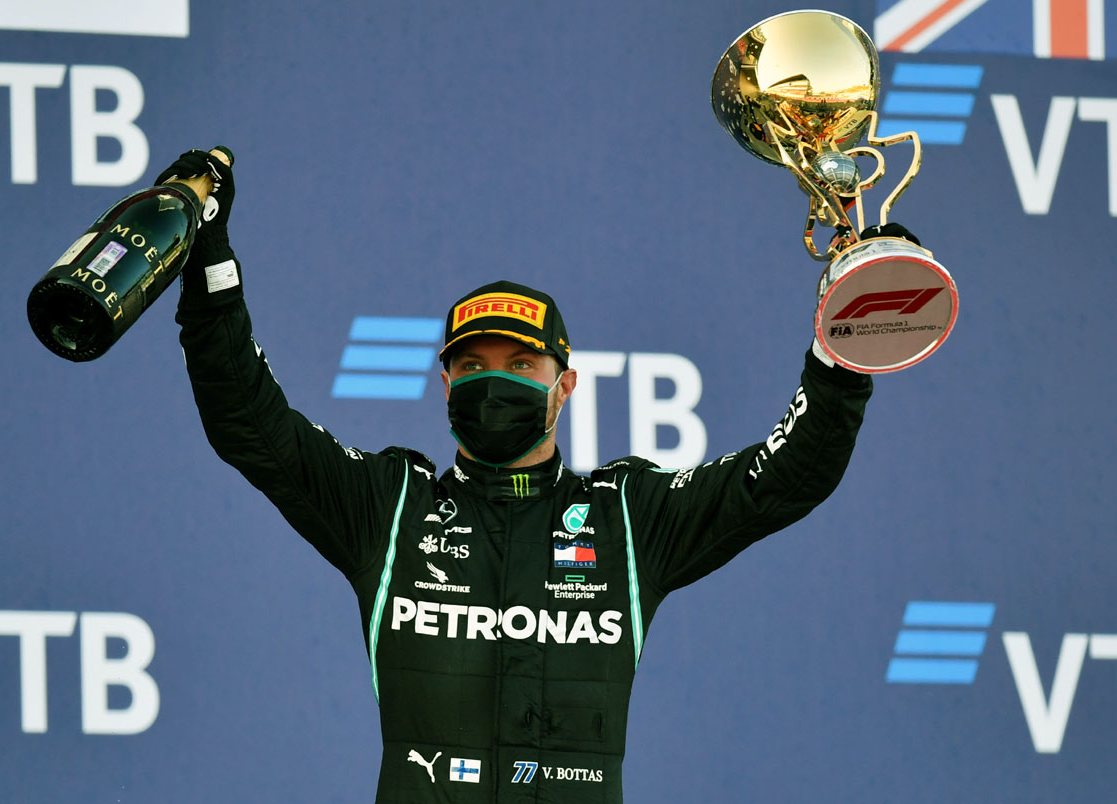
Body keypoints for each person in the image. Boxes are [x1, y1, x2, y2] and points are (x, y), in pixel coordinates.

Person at [162, 149, 877, 803]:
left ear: (564, 387)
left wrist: (847, 337)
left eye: (520, 366)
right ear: (444, 386)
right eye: (471, 366)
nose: (493, 382)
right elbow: (247, 420)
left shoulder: (625, 517)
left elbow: (789, 474)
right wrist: (209, 262)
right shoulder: (390, 508)